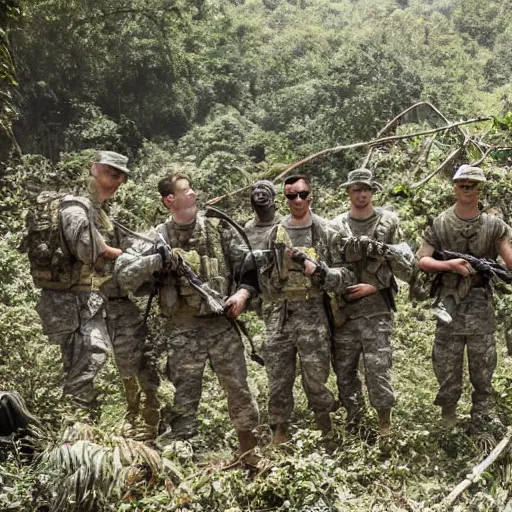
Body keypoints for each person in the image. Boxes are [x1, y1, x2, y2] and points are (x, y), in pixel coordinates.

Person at [115, 175, 260, 457]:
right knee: (184, 398)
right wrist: (157, 259)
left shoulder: (218, 230)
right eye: (185, 190)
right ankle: (182, 458)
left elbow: (249, 266)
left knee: (239, 390)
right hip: (182, 331)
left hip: (221, 325)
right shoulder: (157, 237)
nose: (193, 192)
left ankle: (250, 455)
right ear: (170, 200)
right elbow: (124, 275)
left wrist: (242, 294)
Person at [262, 175, 356, 444]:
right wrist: (276, 278)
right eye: (292, 196)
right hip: (281, 315)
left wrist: (321, 272)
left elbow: (347, 274)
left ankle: (324, 425)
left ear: (311, 195)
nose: (298, 200)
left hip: (314, 311)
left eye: (303, 194)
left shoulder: (326, 230)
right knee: (279, 376)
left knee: (316, 375)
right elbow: (264, 279)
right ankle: (279, 430)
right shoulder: (276, 233)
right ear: (285, 198)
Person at [33, 151, 129, 414]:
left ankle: (77, 419)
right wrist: (128, 255)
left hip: (84, 300)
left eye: (121, 175)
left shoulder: (97, 210)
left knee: (86, 358)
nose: (118, 179)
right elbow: (90, 251)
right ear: (93, 169)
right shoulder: (76, 208)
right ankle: (69, 420)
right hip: (66, 302)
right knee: (87, 355)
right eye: (112, 172)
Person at [417, 164, 512, 429]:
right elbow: (422, 260)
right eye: (463, 185)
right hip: (449, 303)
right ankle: (448, 414)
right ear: (455, 188)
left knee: (483, 364)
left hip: (480, 303)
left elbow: (509, 260)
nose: (468, 190)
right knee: (447, 364)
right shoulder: (440, 223)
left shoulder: (494, 226)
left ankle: (481, 413)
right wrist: (450, 265)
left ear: (480, 189)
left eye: (473, 185)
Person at [329, 168, 413, 435]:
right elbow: (327, 267)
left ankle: (385, 425)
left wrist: (375, 284)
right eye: (356, 189)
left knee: (378, 370)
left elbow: (406, 266)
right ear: (348, 192)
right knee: (345, 372)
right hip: (345, 313)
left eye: (366, 189)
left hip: (377, 312)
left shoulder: (388, 223)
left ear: (373, 192)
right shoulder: (335, 227)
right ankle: (356, 421)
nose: (362, 194)